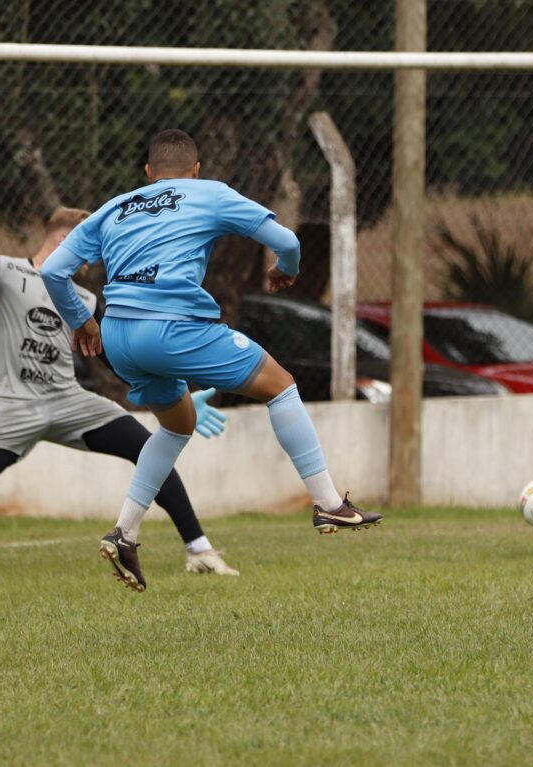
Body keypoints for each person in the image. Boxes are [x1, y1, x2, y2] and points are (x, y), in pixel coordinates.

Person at [42, 129, 382, 593]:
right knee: (280, 385)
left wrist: (82, 320)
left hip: (119, 337)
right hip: (172, 327)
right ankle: (327, 503)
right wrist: (286, 269)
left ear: (147, 173)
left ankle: (124, 532)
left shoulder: (116, 206)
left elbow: (51, 270)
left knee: (178, 426)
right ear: (196, 170)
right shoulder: (209, 193)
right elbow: (286, 240)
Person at [0, 207, 238, 582]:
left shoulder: (84, 298)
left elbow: (117, 362)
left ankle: (199, 550)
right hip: (12, 407)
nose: (91, 259)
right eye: (88, 248)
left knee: (147, 449)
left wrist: (174, 396)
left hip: (69, 402)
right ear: (66, 241)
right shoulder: (4, 270)